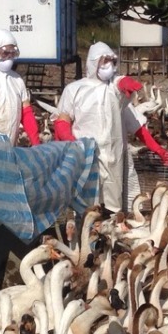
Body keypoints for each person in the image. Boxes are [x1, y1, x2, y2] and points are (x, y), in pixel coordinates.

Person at [53, 42, 130, 211]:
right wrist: (72, 142)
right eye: (104, 61)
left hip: (112, 155)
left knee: (113, 200)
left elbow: (124, 87)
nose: (108, 66)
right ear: (93, 63)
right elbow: (63, 119)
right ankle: (82, 233)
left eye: (111, 61)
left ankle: (110, 231)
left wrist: (128, 85)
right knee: (85, 201)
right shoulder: (75, 89)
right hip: (86, 153)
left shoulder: (115, 89)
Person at [119, 75, 168, 202]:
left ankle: (128, 215)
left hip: (120, 156)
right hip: (93, 156)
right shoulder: (79, 92)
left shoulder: (124, 107)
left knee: (129, 194)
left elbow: (139, 130)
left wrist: (159, 150)